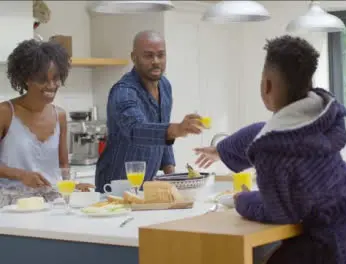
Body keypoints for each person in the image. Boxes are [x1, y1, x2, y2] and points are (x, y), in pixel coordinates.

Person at [194, 35, 346, 264]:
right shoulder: (321, 119)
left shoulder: (272, 154)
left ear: (266, 84)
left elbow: (279, 212)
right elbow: (262, 131)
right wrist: (221, 150)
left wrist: (243, 200)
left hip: (336, 243)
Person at [95, 30, 203, 192]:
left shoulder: (165, 86)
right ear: (134, 57)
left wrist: (173, 180)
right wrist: (176, 129)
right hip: (114, 186)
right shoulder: (123, 92)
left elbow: (165, 138)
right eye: (148, 56)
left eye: (161, 55)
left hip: (146, 186)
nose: (156, 61)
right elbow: (136, 129)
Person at [0, 39, 93, 207]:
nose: (51, 85)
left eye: (56, 79)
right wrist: (21, 175)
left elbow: (63, 165)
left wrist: (73, 186)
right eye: (43, 79)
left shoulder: (60, 116)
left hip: (51, 201)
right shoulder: (5, 113)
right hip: (11, 205)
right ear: (26, 79)